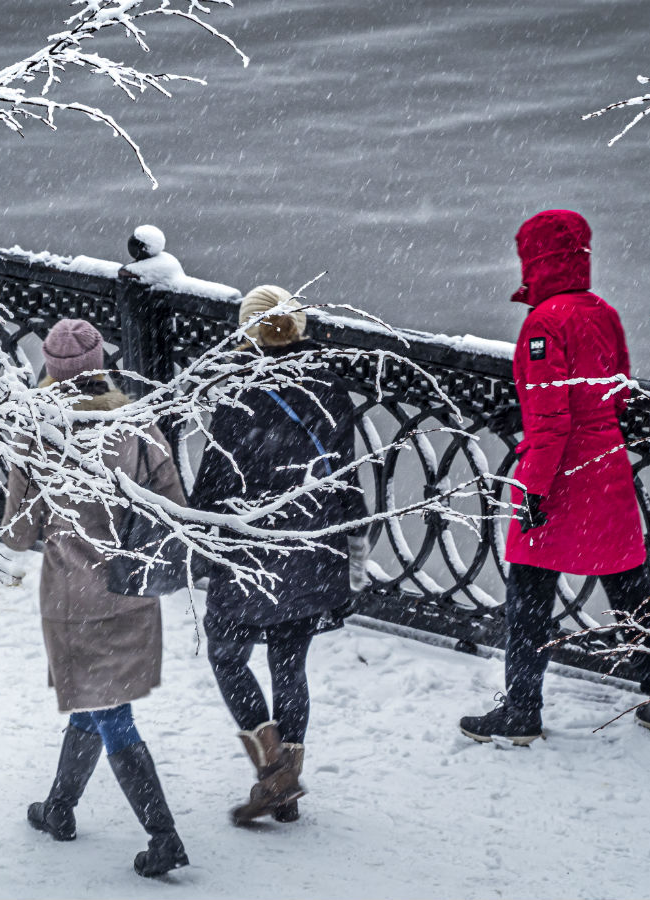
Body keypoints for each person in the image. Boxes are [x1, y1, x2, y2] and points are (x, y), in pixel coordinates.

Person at [459, 209, 650, 747]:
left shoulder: (543, 323)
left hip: (559, 479)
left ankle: (521, 712)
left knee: (529, 599)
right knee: (632, 592)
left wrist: (532, 491)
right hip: (606, 469)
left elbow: (550, 420)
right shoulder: (601, 312)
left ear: (535, 260)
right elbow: (620, 391)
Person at [1, 318, 190, 877]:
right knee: (94, 703)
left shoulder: (40, 435)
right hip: (132, 591)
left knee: (110, 713)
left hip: (74, 599)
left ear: (49, 373)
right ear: (101, 366)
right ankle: (59, 808)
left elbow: (16, 532)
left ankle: (164, 836)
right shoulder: (138, 425)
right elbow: (174, 505)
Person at [190, 285, 365, 824]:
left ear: (248, 332)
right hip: (312, 548)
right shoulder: (332, 390)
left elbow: (215, 486)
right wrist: (352, 552)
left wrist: (200, 550)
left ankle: (276, 777)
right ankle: (283, 780)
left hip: (251, 556)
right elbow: (346, 478)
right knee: (290, 664)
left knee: (226, 656)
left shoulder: (237, 393)